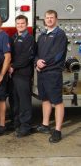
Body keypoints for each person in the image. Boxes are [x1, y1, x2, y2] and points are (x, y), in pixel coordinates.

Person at [35, 10, 68, 143]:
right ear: (44, 19)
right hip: (41, 72)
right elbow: (36, 52)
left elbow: (58, 54)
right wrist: (36, 61)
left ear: (56, 19)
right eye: (47, 18)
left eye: (51, 18)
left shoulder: (60, 35)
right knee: (45, 99)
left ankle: (58, 130)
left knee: (57, 101)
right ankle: (45, 125)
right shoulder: (42, 35)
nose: (49, 20)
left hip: (53, 72)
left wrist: (44, 63)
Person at [8, 15, 35, 137]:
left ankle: (26, 126)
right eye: (18, 23)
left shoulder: (29, 39)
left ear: (27, 24)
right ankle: (16, 122)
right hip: (13, 75)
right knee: (14, 100)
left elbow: (26, 57)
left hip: (23, 74)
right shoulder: (13, 37)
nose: (20, 25)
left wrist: (12, 66)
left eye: (22, 23)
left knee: (24, 101)